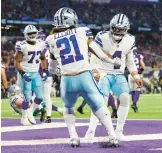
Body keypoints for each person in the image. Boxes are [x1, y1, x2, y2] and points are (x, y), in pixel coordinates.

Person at [46, 7, 122, 148]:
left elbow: (51, 68)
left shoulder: (50, 39)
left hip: (67, 79)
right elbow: (100, 53)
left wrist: (59, 70)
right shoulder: (82, 31)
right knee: (99, 105)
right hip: (84, 76)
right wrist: (113, 61)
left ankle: (74, 138)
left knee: (68, 107)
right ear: (72, 19)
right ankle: (112, 136)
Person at [85, 13, 143, 141]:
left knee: (124, 98)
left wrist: (136, 76)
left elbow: (130, 61)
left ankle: (119, 131)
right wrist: (94, 71)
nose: (117, 31)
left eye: (121, 29)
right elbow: (94, 55)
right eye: (115, 28)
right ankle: (91, 131)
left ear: (126, 29)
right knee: (101, 101)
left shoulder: (130, 39)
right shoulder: (102, 36)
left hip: (118, 74)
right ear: (111, 27)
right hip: (103, 72)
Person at [14, 25, 48, 126]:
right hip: (25, 72)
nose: (32, 35)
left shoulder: (41, 44)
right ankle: (23, 118)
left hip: (36, 72)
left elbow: (42, 58)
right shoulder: (22, 45)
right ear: (25, 35)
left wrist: (45, 70)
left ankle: (30, 112)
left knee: (40, 96)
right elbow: (17, 62)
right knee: (26, 98)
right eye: (30, 34)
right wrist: (23, 73)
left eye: (34, 33)